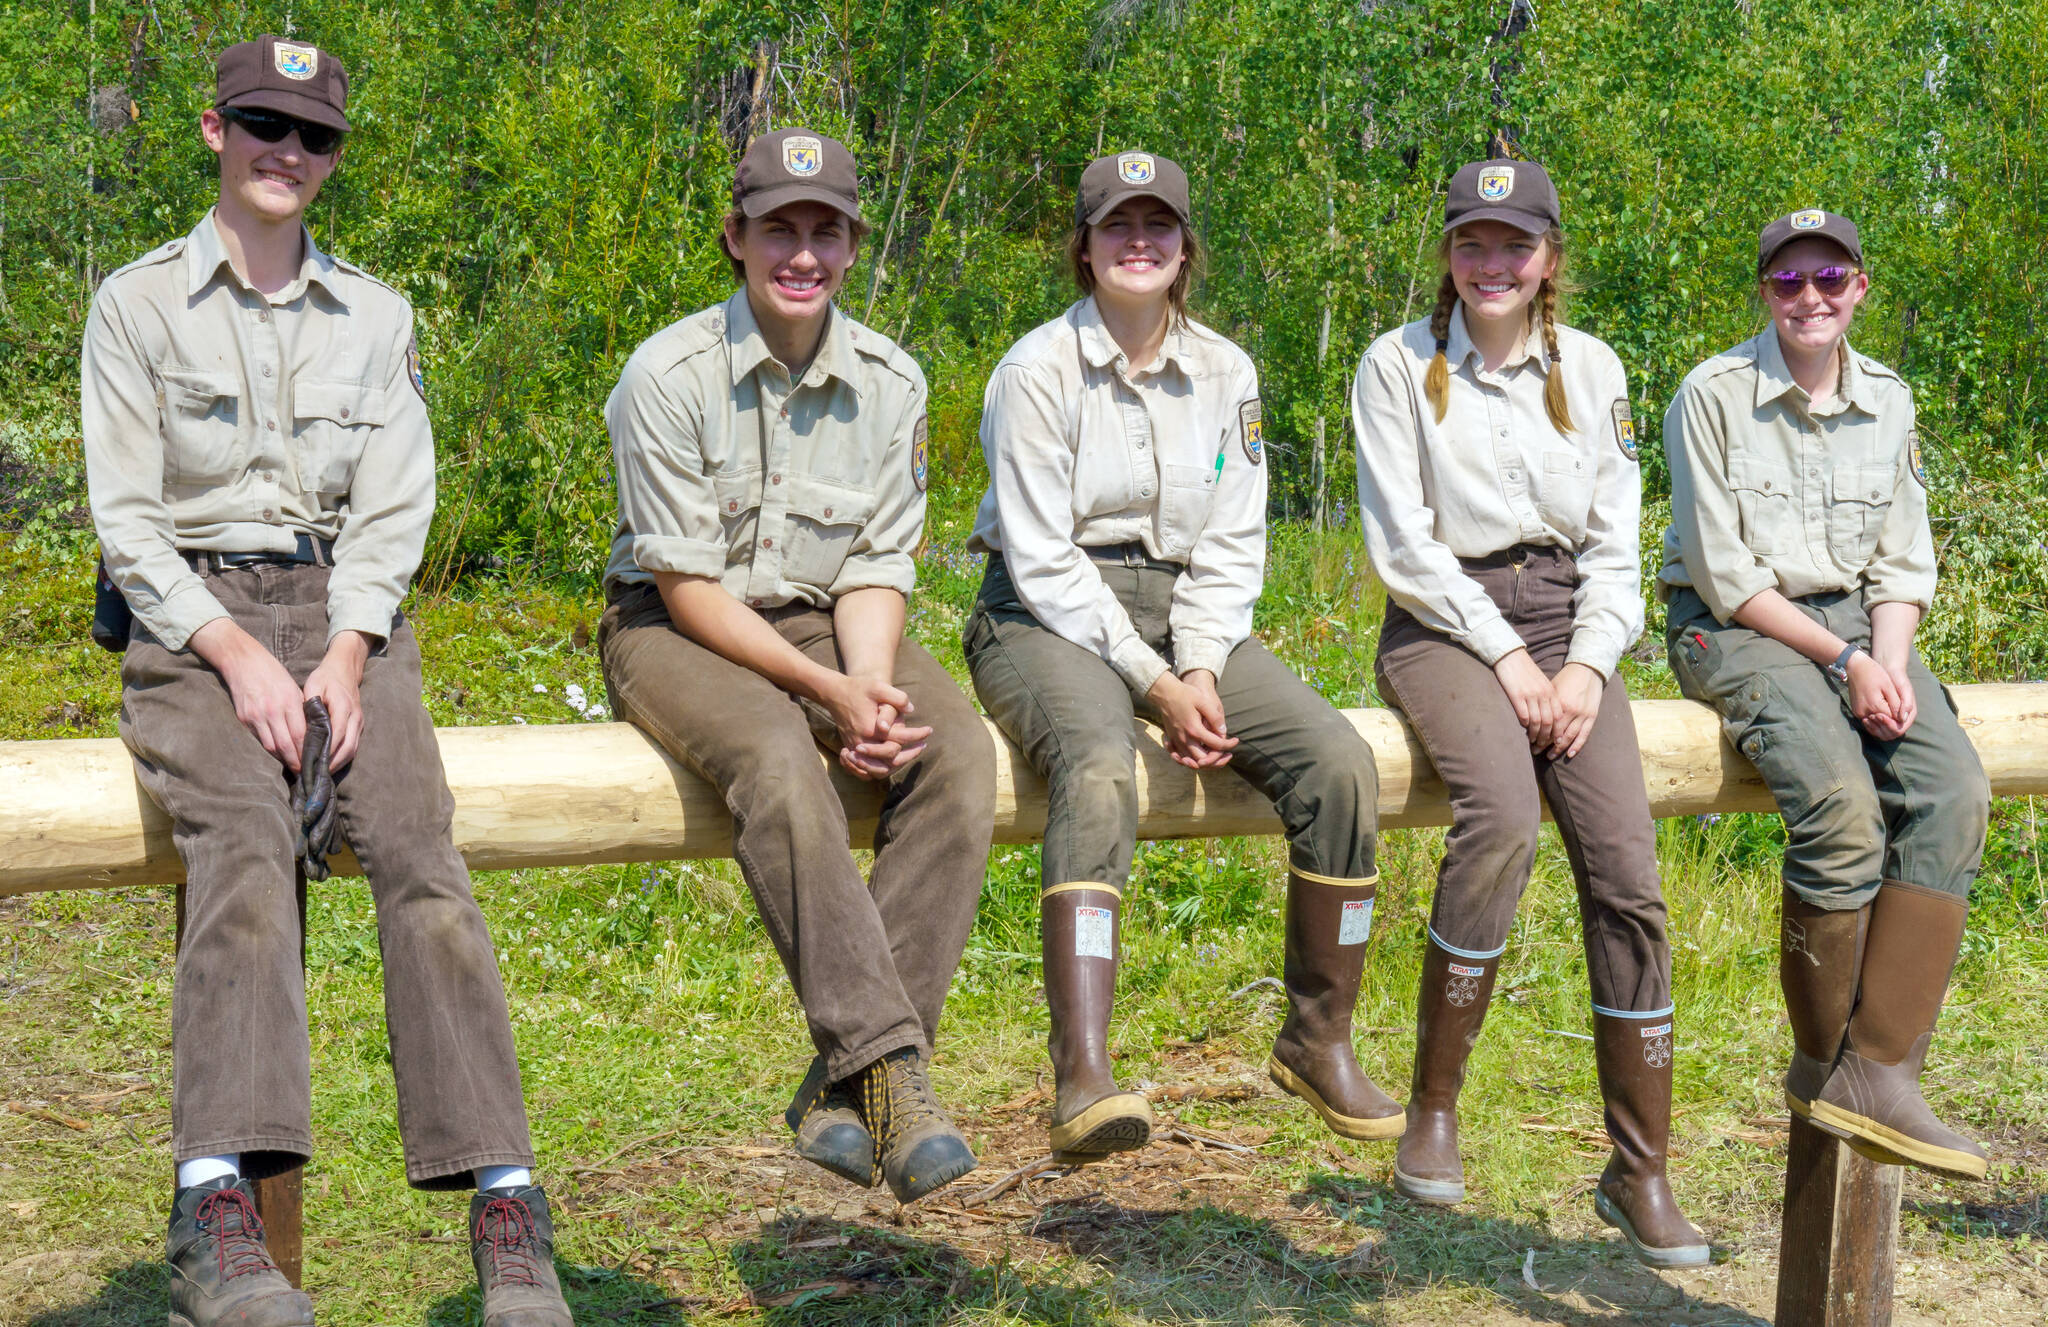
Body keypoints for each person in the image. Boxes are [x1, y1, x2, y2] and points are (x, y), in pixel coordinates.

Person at [80, 36, 570, 1326]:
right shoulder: (136, 306)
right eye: (261, 124)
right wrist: (235, 654)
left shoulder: (381, 315)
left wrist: (348, 652)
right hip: (194, 616)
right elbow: (127, 521)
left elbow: (396, 507)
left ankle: (508, 1209)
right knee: (241, 846)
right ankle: (215, 1212)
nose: (285, 153)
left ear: (333, 157)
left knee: (418, 853)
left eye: (312, 136)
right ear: (213, 132)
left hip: (345, 611)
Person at [965, 151, 1395, 1165]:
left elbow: (1233, 539)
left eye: (1158, 224)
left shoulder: (1226, 372)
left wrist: (1197, 665)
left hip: (1184, 613)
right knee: (1099, 766)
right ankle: (1081, 1070)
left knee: (1338, 765)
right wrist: (1152, 685)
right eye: (1116, 224)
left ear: (1186, 246)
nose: (1138, 241)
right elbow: (1039, 556)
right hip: (1043, 613)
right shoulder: (1033, 373)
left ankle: (1316, 1038)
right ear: (1082, 245)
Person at [599, 127, 996, 1204]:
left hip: (827, 620)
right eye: (780, 228)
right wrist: (822, 698)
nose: (802, 253)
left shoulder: (890, 380)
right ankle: (891, 1070)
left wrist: (866, 686)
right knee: (778, 756)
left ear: (854, 245)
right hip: (674, 628)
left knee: (954, 752)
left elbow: (873, 563)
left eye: (826, 231)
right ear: (736, 237)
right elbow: (685, 587)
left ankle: (840, 1088)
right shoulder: (667, 374)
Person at [1352, 158, 1707, 1267]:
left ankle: (1637, 1166)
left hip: (1571, 628)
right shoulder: (1397, 364)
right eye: (1471, 243)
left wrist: (1589, 668)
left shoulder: (1588, 367)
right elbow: (1403, 546)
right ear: (1448, 255)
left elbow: (1613, 540)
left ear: (1548, 257)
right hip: (1444, 623)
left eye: (1514, 245)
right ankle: (1433, 1108)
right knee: (1500, 816)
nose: (1490, 264)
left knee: (1626, 872)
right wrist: (1508, 659)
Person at [1660, 208, 1989, 1180]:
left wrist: (1882, 660)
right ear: (1763, 291)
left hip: (1855, 625)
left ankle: (1880, 1067)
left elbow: (1899, 562)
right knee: (1841, 809)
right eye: (1787, 281)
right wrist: (1843, 667)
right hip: (1734, 625)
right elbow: (1724, 576)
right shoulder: (1710, 394)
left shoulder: (1887, 398)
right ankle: (1820, 1065)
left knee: (1952, 789)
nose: (1809, 297)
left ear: (1859, 287)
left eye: (1829, 279)